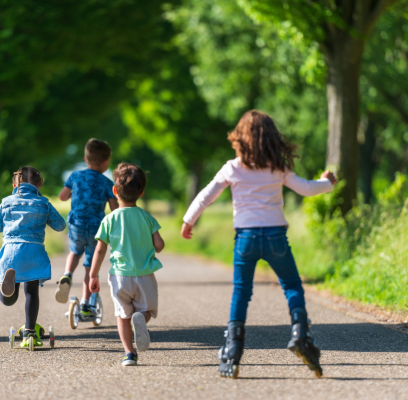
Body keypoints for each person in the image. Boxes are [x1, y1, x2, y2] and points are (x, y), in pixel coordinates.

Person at [181, 110, 337, 379]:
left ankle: (233, 349)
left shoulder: (232, 167)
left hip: (246, 238)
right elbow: (307, 188)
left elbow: (207, 195)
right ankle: (300, 333)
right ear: (271, 138)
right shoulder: (277, 167)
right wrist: (328, 182)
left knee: (241, 292)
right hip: (276, 236)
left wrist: (188, 220)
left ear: (239, 138)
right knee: (291, 286)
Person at [89, 163, 165, 367]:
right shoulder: (147, 217)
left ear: (115, 191)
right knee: (146, 310)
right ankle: (141, 318)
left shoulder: (109, 219)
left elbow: (100, 250)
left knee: (122, 316)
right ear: (142, 192)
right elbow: (159, 245)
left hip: (119, 277)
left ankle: (129, 354)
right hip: (144, 275)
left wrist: (93, 275)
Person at [0, 166, 66, 348]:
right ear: (39, 184)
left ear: (15, 183)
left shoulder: (6, 201)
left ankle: (5, 292)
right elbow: (61, 225)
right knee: (31, 292)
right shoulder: (43, 203)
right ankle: (30, 331)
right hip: (33, 251)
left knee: (10, 298)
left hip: (10, 252)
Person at [55, 139, 119, 317]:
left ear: (85, 158)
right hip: (96, 228)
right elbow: (115, 210)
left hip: (77, 224)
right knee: (90, 268)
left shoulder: (75, 176)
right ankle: (85, 305)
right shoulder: (107, 183)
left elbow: (62, 197)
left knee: (75, 252)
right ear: (106, 162)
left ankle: (67, 274)